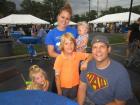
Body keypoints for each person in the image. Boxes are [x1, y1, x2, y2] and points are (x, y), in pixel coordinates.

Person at [77, 35, 133, 105]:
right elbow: (82, 87)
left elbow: (120, 102)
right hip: (87, 100)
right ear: (92, 51)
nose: (98, 50)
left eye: (102, 46)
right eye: (95, 47)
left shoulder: (121, 73)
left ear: (109, 49)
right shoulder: (86, 65)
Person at [53, 33, 92, 100]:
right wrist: (59, 90)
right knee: (64, 101)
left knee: (73, 100)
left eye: (71, 43)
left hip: (75, 85)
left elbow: (91, 55)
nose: (69, 46)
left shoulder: (77, 55)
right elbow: (57, 76)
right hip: (63, 87)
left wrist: (86, 62)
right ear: (62, 45)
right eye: (66, 43)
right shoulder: (59, 58)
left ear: (74, 44)